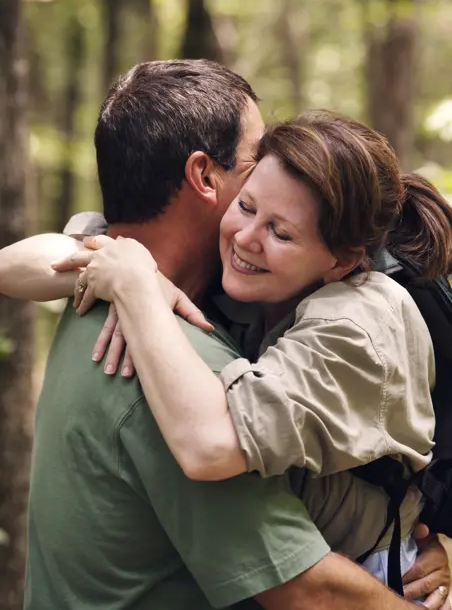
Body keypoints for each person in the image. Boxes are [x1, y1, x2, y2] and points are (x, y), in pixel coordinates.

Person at [0, 63, 449, 610]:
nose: (253, 230)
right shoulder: (146, 314)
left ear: (340, 260)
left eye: (282, 231)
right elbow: (309, 589)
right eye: (254, 162)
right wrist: (137, 278)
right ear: (206, 177)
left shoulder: (336, 322)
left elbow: (312, 581)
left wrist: (140, 287)